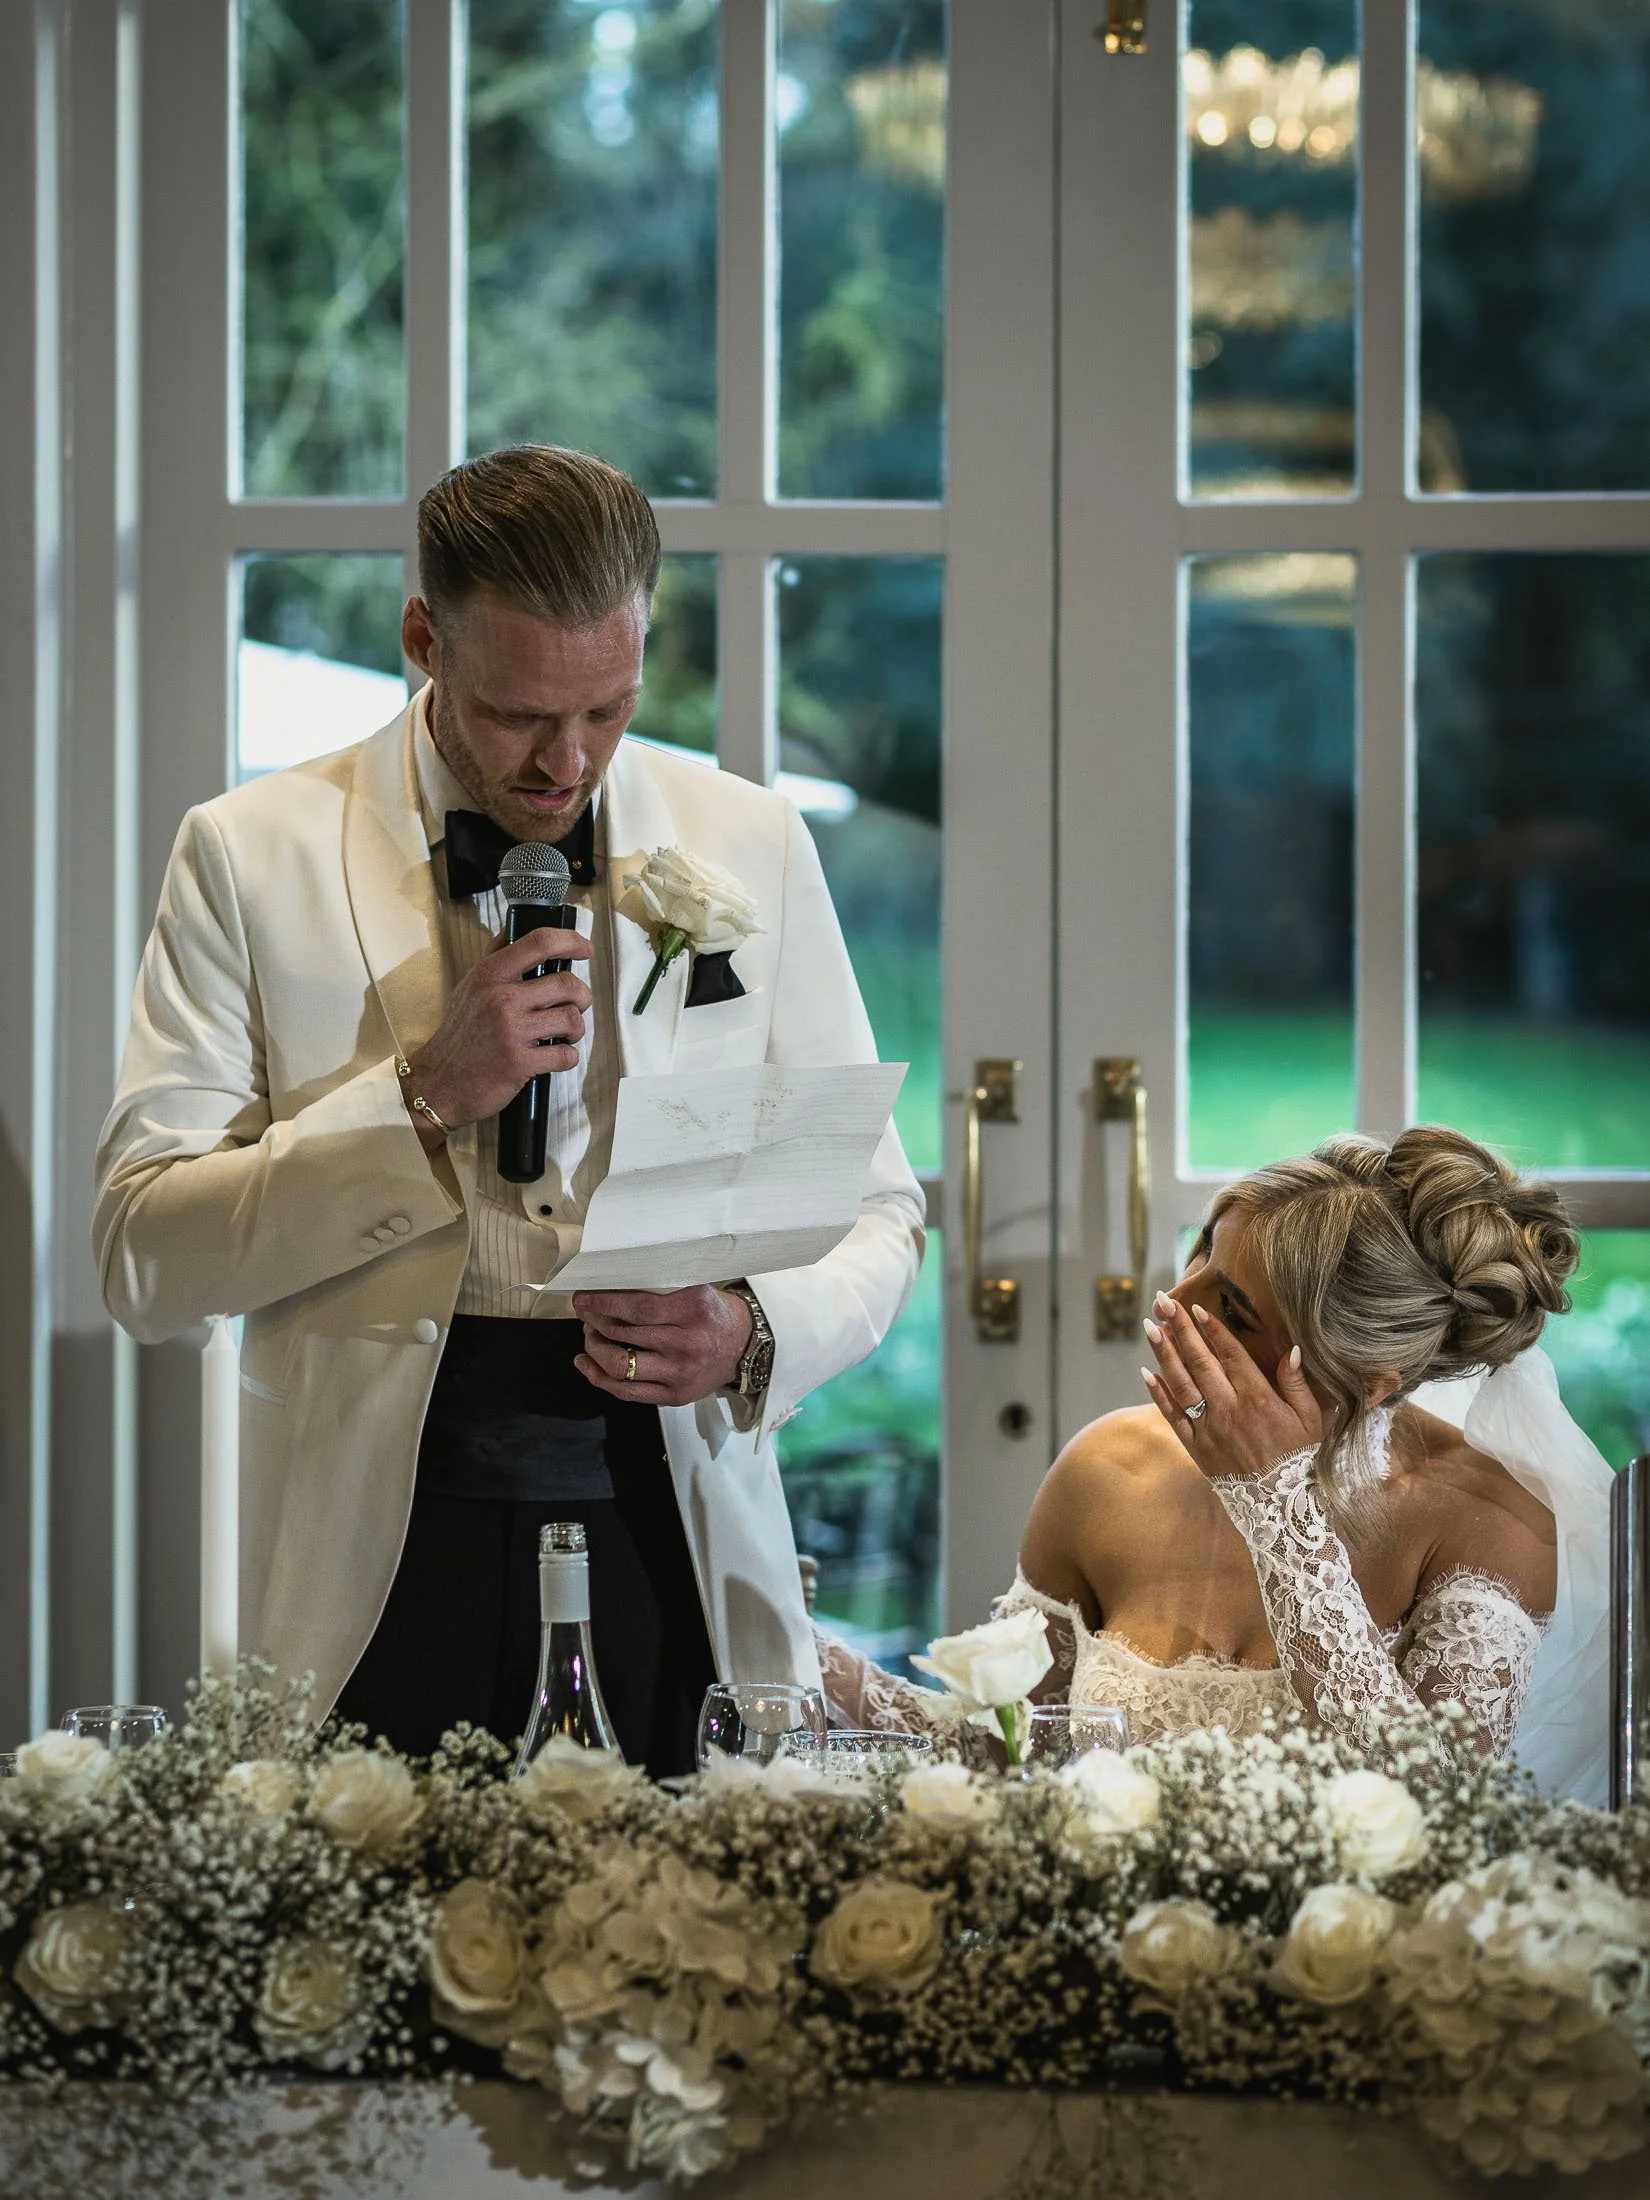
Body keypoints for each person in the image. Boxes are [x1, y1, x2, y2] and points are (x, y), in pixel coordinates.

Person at [95, 443, 925, 1776]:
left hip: (670, 1508)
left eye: (607, 709)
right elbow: (143, 1261)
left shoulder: (750, 843)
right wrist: (423, 1096)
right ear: (424, 637)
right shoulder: (248, 858)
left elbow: (879, 1210)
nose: (566, 763)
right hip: (373, 1533)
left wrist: (749, 1332)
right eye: (520, 715)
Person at [818, 1128, 1612, 1802]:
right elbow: (998, 1751)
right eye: (1202, 1250)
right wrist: (811, 1660)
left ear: (1369, 1382)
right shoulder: (1107, 1468)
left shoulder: (1491, 1521)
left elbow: (1437, 1811)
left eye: (1232, 1306)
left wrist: (1276, 1505)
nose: (1174, 1299)